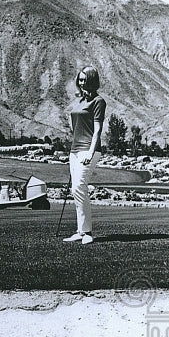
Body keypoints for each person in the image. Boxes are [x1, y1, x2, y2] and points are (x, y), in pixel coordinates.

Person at [63, 65, 106, 245]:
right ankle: (80, 231)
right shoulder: (78, 101)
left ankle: (87, 232)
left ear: (92, 80)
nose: (81, 83)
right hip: (75, 150)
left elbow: (97, 131)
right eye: (79, 80)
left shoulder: (98, 101)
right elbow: (74, 124)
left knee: (80, 186)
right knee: (75, 189)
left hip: (89, 149)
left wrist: (89, 152)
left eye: (84, 79)